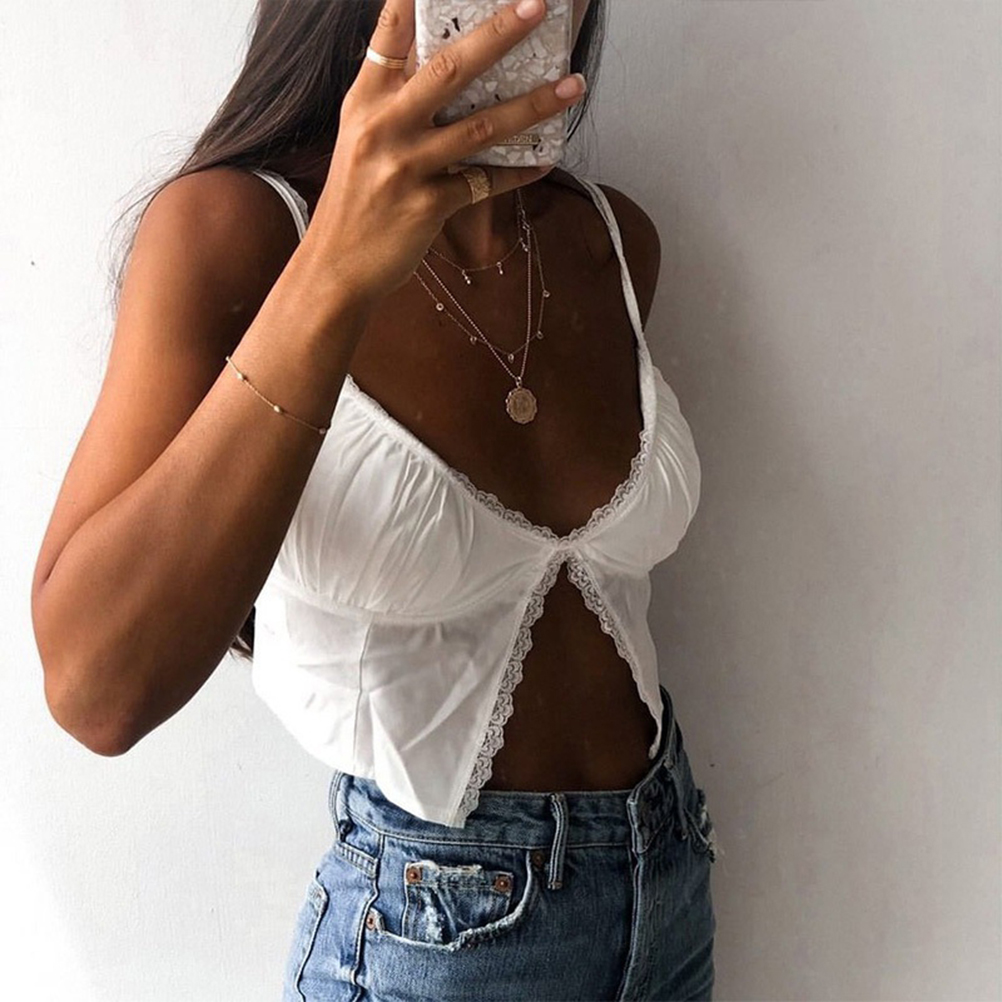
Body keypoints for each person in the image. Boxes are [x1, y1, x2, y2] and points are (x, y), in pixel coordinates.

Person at [31, 0, 717, 997]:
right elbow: (97, 691)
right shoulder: (236, 229)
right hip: (434, 925)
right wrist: (336, 266)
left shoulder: (612, 239)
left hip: (671, 878)